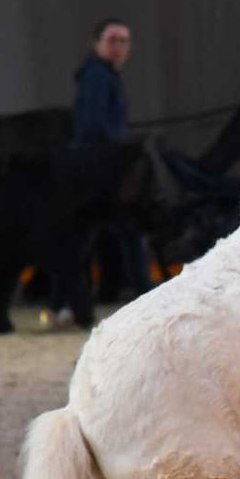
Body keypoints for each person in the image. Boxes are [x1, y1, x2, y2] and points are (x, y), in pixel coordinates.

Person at [45, 17, 152, 327]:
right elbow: (93, 127)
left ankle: (60, 306)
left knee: (83, 241)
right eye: (112, 40)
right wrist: (124, 144)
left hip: (94, 171)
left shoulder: (101, 76)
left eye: (123, 41)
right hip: (97, 173)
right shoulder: (97, 78)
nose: (119, 47)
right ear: (97, 44)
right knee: (120, 235)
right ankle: (146, 297)